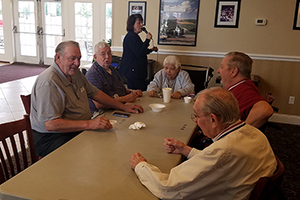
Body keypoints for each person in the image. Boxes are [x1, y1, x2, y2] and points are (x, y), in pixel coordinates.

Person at [130, 87, 277, 200]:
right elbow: (221, 164)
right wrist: (186, 150)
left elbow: (169, 189)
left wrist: (140, 166)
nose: (195, 120)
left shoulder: (223, 151)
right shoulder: (253, 133)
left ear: (213, 120)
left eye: (197, 115)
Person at [30, 41, 144, 157]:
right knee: (88, 153)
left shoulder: (74, 74)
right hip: (52, 137)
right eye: (72, 58)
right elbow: (51, 124)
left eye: (79, 58)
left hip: (75, 129)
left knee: (107, 141)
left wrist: (124, 107)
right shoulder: (49, 82)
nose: (77, 63)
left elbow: (95, 93)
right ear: (58, 58)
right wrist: (89, 124)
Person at [217, 51, 273, 130]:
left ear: (233, 72)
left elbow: (265, 110)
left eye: (222, 67)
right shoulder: (240, 86)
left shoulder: (244, 90)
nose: (218, 71)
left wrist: (241, 133)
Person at [85, 41, 143, 116]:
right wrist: (125, 99)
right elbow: (100, 105)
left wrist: (131, 91)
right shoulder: (93, 74)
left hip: (119, 106)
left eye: (109, 53)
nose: (107, 57)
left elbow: (119, 87)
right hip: (103, 113)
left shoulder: (111, 68)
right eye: (103, 54)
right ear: (95, 57)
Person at [120, 14, 158, 91]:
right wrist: (147, 40)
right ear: (132, 24)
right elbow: (139, 53)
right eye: (139, 23)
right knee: (136, 92)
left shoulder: (134, 36)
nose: (141, 25)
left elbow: (140, 50)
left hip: (137, 72)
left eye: (142, 23)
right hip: (133, 72)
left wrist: (151, 50)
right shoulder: (131, 36)